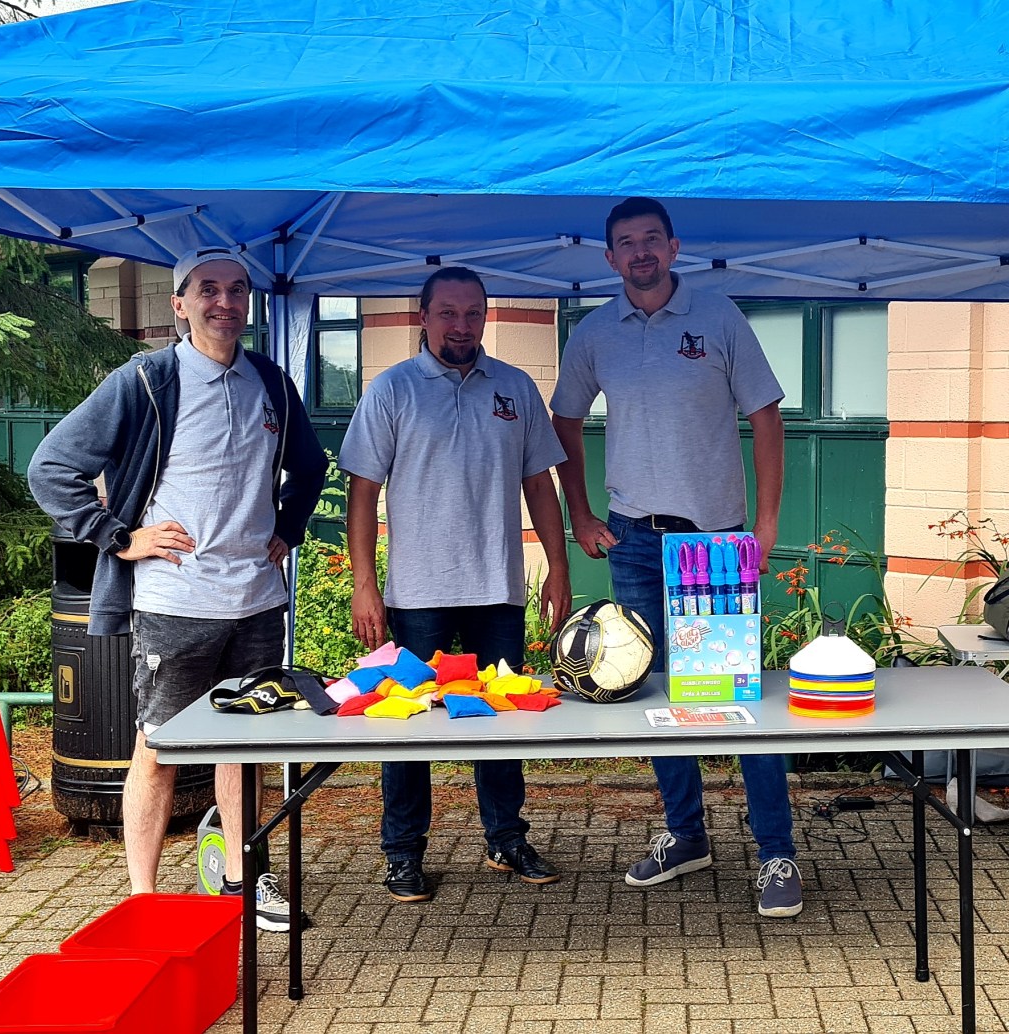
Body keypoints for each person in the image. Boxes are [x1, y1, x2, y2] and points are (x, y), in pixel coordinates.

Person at [28, 247, 327, 930]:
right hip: (174, 604)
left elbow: (309, 466)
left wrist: (289, 526)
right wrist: (118, 537)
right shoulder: (146, 381)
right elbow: (52, 468)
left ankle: (241, 882)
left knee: (244, 749)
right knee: (158, 749)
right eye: (210, 290)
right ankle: (143, 899)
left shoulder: (271, 384)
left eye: (238, 291)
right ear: (181, 303)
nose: (226, 302)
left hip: (257, 599)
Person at [550, 198, 801, 918]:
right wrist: (581, 515)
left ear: (673, 246)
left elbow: (766, 416)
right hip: (632, 541)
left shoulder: (718, 317)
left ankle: (776, 850)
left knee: (734, 701)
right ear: (609, 258)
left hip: (713, 545)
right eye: (625, 243)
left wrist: (769, 522)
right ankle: (686, 836)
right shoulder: (595, 332)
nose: (639, 253)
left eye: (651, 240)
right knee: (654, 694)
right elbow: (563, 420)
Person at [339, 266, 572, 903]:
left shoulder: (516, 388)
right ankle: (403, 852)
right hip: (416, 596)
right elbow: (362, 494)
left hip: (498, 589)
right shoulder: (391, 392)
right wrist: (366, 585)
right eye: (448, 312)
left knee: (499, 720)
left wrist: (559, 566)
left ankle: (506, 837)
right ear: (423, 316)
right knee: (407, 725)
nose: (462, 325)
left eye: (473, 313)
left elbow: (540, 485)